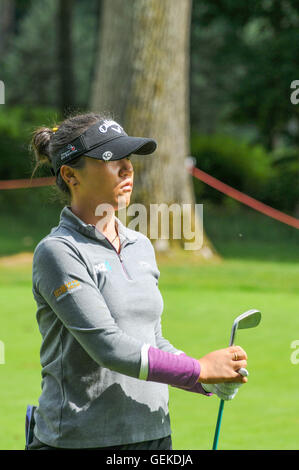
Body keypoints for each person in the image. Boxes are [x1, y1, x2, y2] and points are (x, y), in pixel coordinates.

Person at [27, 112, 248, 450]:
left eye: (127, 158)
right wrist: (198, 369)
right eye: (110, 159)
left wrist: (207, 382)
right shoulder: (58, 252)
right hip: (79, 440)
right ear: (70, 174)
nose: (127, 168)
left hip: (153, 434)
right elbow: (109, 347)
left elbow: (152, 340)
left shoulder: (140, 246)